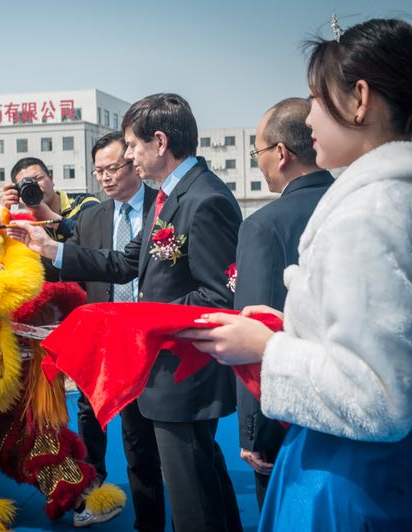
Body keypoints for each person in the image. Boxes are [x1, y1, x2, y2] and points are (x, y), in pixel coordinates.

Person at [178, 18, 412, 530]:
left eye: (316, 100)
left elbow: (378, 396)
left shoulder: (367, 215)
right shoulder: (387, 198)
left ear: (360, 99)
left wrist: (266, 349)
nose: (308, 122)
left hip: (351, 477)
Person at [9, 93, 243, 532]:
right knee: (202, 485)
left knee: (192, 495)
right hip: (162, 372)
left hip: (183, 375)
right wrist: (50, 247)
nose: (130, 157)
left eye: (132, 147)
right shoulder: (170, 199)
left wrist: (142, 317)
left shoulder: (203, 200)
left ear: (159, 142)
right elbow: (122, 263)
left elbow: (219, 297)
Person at [236, 97, 334, 509]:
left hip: (291, 414)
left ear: (281, 153)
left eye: (257, 152)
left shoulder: (264, 225)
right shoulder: (355, 202)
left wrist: (254, 434)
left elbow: (253, 332)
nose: (257, 162)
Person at [70, 132, 162, 529]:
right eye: (98, 172)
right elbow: (69, 266)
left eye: (112, 168)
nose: (105, 178)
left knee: (140, 433)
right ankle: (94, 489)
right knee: (90, 415)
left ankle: (150, 514)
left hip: (149, 336)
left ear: (132, 162)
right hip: (102, 336)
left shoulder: (164, 208)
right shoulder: (90, 218)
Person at [1, 157, 99, 243]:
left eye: (38, 179)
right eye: (24, 185)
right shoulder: (24, 222)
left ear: (51, 179)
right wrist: (1, 214)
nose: (34, 186)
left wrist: (48, 216)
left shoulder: (84, 202)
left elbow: (95, 236)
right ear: (17, 192)